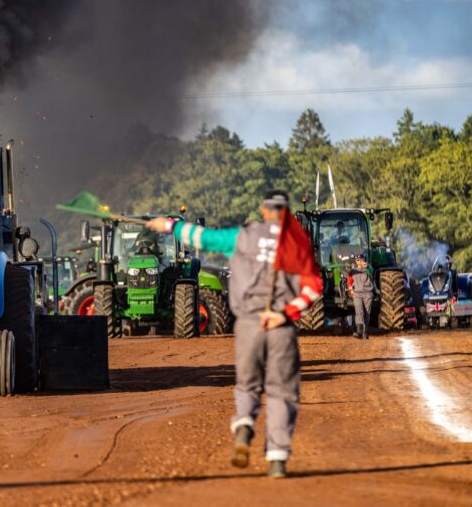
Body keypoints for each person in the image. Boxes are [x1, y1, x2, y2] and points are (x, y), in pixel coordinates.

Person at [147, 190, 322, 479]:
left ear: (265, 211)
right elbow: (313, 286)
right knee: (281, 392)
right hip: (280, 326)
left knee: (247, 384)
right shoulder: (297, 244)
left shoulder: (243, 236)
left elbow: (203, 238)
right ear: (287, 212)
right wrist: (284, 313)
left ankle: (244, 424)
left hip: (248, 324)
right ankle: (277, 460)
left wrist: (169, 225)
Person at [348, 254, 374, 339]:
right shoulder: (353, 271)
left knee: (367, 312)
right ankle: (359, 331)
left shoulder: (369, 269)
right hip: (357, 293)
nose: (359, 261)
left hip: (368, 293)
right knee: (359, 312)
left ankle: (365, 331)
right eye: (357, 260)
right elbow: (349, 282)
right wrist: (351, 291)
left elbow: (370, 270)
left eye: (361, 259)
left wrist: (365, 265)